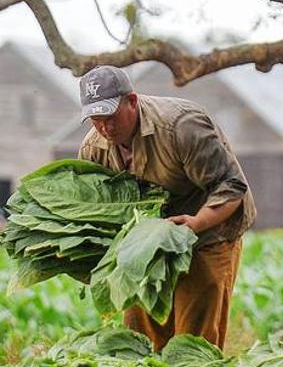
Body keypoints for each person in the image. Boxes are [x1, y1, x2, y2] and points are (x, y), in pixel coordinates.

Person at [77, 64, 256, 350]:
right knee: (139, 335)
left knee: (193, 340)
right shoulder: (93, 147)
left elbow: (231, 186)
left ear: (132, 101)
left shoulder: (182, 127)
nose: (104, 127)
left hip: (207, 233)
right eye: (96, 119)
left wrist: (196, 223)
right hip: (145, 244)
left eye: (110, 116)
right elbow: (96, 206)